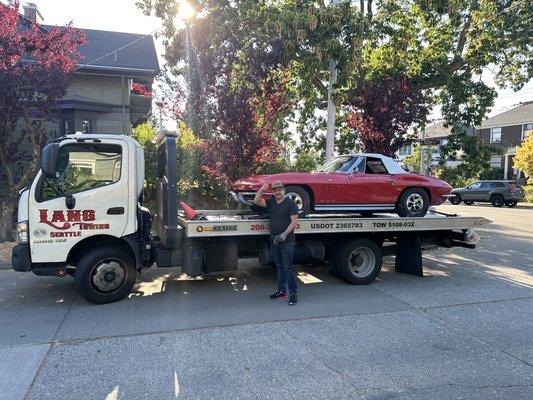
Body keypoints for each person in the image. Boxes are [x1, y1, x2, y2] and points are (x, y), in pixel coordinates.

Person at [254, 181, 299, 305]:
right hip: (274, 239)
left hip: (287, 241)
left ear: (284, 190)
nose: (277, 192)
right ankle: (281, 291)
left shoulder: (290, 203)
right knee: (279, 267)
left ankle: (293, 294)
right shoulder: (271, 202)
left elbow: (294, 222)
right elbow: (256, 201)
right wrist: (262, 189)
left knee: (288, 268)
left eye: (279, 190)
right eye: (275, 190)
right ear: (272, 192)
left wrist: (284, 235)